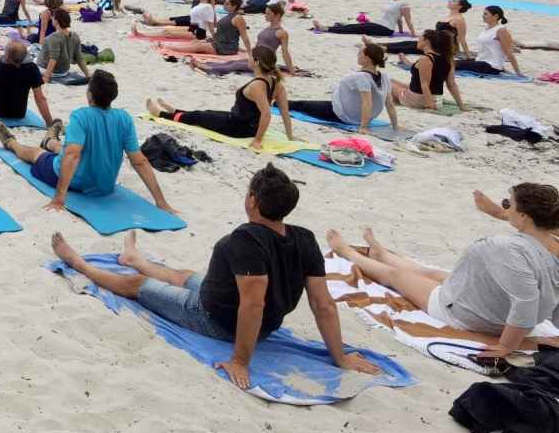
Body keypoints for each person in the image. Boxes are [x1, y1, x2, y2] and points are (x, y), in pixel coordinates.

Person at [50, 165, 378, 390]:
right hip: (225, 300)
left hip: (214, 319)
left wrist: (239, 361)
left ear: (252, 200)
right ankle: (132, 258)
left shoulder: (246, 241)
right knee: (185, 276)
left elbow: (253, 305)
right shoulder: (304, 237)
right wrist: (340, 357)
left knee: (136, 287)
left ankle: (79, 264)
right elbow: (323, 304)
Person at [326, 186, 559, 356]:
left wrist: (505, 346)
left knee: (397, 277)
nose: (504, 210)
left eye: (509, 206)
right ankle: (382, 254)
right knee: (434, 274)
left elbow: (526, 300)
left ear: (524, 216)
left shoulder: (508, 249)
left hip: (472, 315)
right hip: (495, 305)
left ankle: (347, 252)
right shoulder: (552, 244)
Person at [0, 70, 176, 214]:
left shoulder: (80, 116)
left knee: (35, 153)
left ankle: (11, 143)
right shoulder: (124, 118)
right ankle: (50, 139)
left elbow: (72, 156)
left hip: (76, 181)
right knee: (66, 149)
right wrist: (161, 202)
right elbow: (140, 161)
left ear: (90, 94)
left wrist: (59, 198)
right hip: (104, 185)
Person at [147, 45, 294, 151]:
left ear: (256, 62)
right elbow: (285, 112)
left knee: (199, 117)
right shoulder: (277, 84)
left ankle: (160, 114)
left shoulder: (258, 85)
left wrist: (257, 140)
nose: (247, 58)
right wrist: (290, 136)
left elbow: (267, 113)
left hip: (236, 128)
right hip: (242, 124)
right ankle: (175, 110)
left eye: (250, 56)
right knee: (206, 112)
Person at [286, 42, 398, 134]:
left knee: (302, 105)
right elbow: (389, 104)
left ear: (367, 58)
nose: (358, 56)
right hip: (359, 115)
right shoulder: (385, 77)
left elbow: (367, 102)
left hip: (341, 114)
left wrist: (364, 127)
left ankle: (275, 103)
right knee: (307, 105)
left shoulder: (362, 77)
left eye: (360, 54)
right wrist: (395, 125)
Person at [196, 0, 298, 76]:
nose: (265, 16)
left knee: (235, 66)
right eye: (265, 13)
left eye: (268, 14)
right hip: (256, 57)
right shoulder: (267, 28)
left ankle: (208, 68)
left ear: (277, 15)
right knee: (233, 62)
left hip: (264, 62)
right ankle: (205, 64)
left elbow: (285, 53)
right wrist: (249, 54)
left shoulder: (282, 33)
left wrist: (291, 70)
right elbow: (259, 45)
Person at [387, 28, 467, 112]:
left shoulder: (426, 59)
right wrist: (461, 106)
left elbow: (425, 85)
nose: (418, 40)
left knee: (387, 83)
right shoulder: (448, 59)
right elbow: (452, 85)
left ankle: (395, 103)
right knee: (391, 80)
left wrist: (430, 106)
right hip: (437, 99)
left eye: (420, 38)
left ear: (426, 41)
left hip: (421, 100)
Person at [311, 0, 415, 38]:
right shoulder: (393, 1)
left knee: (358, 28)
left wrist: (412, 33)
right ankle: (326, 27)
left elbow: (407, 19)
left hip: (386, 30)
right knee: (357, 26)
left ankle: (326, 29)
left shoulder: (404, 3)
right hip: (380, 25)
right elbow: (398, 18)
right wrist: (401, 31)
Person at [160, 0, 252, 57]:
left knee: (199, 47)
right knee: (197, 42)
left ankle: (168, 47)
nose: (224, 5)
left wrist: (249, 52)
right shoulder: (228, 16)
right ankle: (171, 46)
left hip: (225, 48)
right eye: (225, 3)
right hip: (219, 42)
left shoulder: (238, 18)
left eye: (227, 4)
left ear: (234, 6)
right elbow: (217, 26)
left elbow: (244, 37)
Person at [383, 0, 470, 57]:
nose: (450, 1)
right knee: (407, 43)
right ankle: (380, 45)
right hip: (434, 42)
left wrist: (467, 55)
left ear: (460, 6)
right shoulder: (448, 17)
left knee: (411, 47)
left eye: (454, 1)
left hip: (441, 48)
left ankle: (382, 48)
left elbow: (461, 39)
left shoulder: (459, 20)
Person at [456, 5, 523, 78]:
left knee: (453, 64)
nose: (483, 16)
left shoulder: (501, 30)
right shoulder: (486, 29)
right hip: (481, 62)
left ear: (496, 16)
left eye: (486, 14)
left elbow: (509, 53)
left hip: (491, 67)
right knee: (450, 61)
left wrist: (518, 72)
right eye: (483, 14)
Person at [37, 9, 88, 84]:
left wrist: (46, 77)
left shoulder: (53, 37)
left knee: (33, 53)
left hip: (47, 70)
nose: (51, 19)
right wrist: (87, 74)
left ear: (57, 21)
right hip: (63, 71)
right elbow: (79, 57)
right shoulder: (75, 36)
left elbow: (53, 59)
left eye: (53, 17)